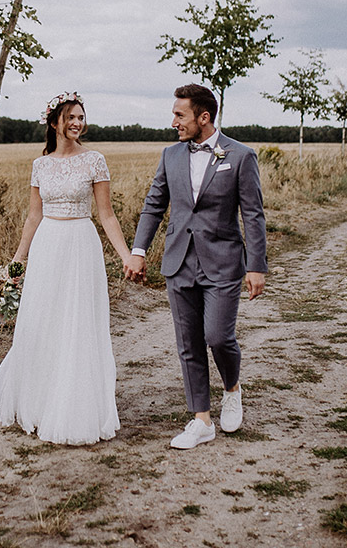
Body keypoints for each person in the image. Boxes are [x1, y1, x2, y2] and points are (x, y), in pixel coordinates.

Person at [0, 91, 132, 444]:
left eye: (81, 117)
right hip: (48, 244)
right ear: (54, 123)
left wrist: (126, 256)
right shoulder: (40, 164)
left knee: (77, 322)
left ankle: (76, 406)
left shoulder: (95, 160)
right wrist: (17, 262)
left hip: (80, 244)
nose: (78, 123)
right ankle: (40, 401)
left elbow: (106, 214)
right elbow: (33, 216)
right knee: (42, 321)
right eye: (71, 117)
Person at [124, 84, 267, 449]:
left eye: (180, 114)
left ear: (204, 117)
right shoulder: (170, 155)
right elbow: (154, 205)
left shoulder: (241, 156)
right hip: (179, 261)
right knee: (188, 343)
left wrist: (257, 266)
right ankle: (201, 419)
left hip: (223, 263)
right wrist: (139, 250)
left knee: (218, 337)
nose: (173, 122)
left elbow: (252, 214)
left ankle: (232, 389)